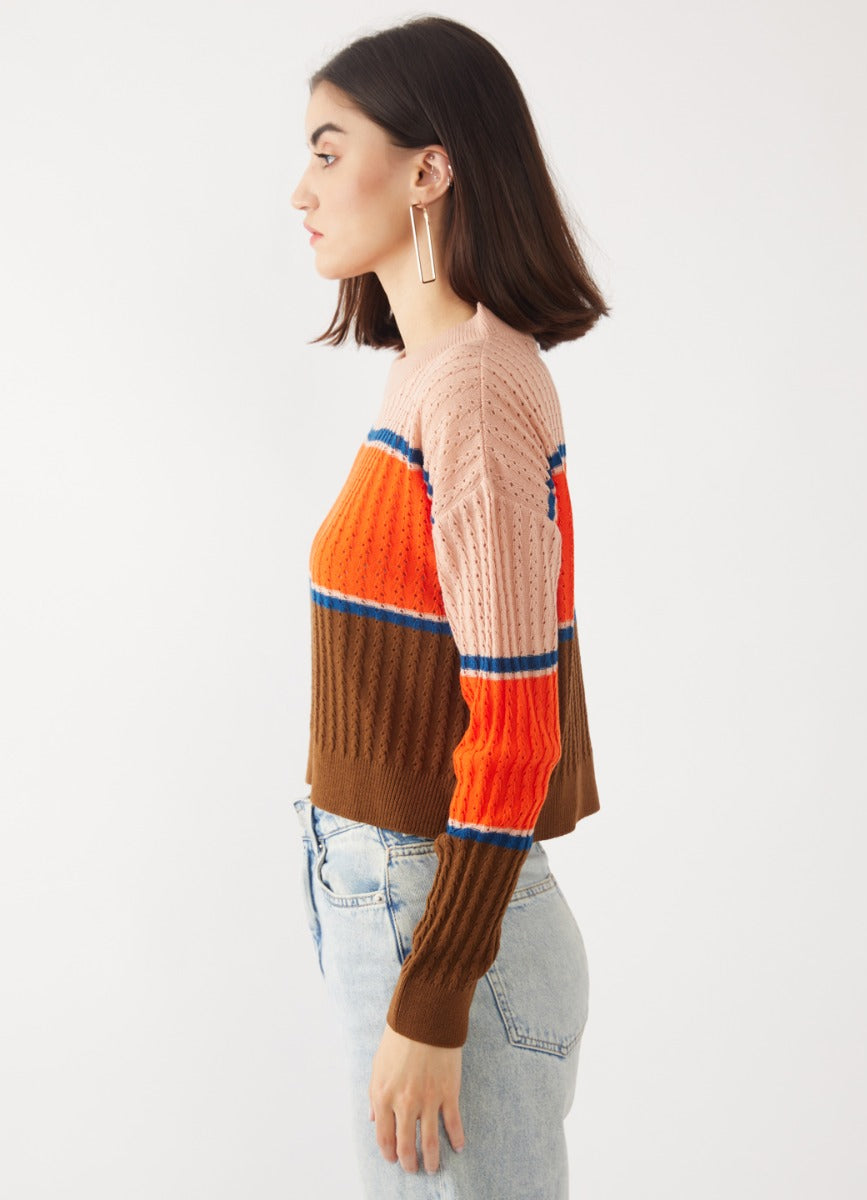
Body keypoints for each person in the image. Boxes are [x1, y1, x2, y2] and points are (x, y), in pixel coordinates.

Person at [289, 16, 610, 1198]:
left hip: (439, 920)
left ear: (429, 170)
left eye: (330, 152)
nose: (301, 190)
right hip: (402, 900)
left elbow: (517, 725)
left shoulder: (472, 386)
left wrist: (432, 997)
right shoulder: (429, 373)